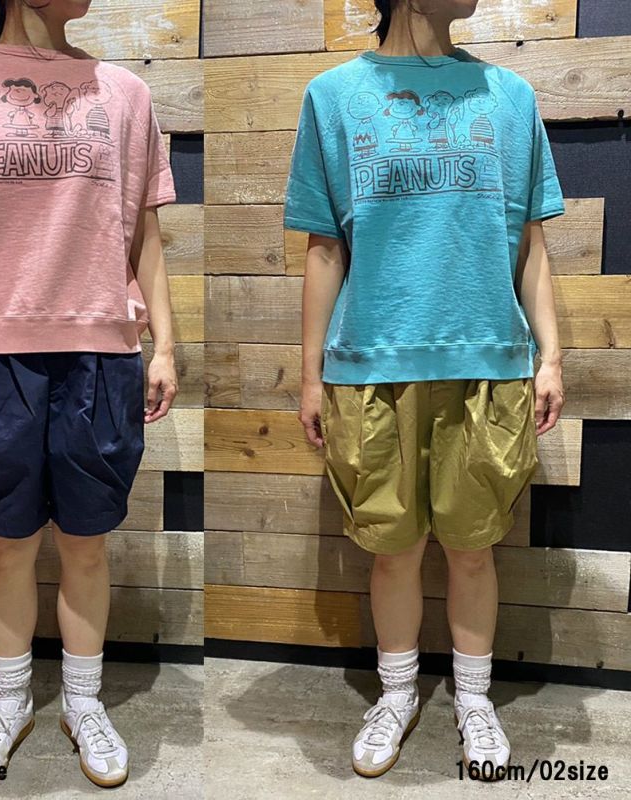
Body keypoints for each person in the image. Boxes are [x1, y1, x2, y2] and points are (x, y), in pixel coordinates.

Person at [284, 0, 565, 781]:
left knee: (473, 552)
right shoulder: (333, 97)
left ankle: (474, 701)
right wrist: (311, 375)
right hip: (371, 365)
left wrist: (551, 356)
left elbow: (531, 241)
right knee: (393, 553)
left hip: (487, 363)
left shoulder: (510, 97)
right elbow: (324, 248)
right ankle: (398, 693)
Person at [0, 0, 178, 792]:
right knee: (7, 545)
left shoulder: (125, 93)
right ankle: (10, 702)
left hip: (101, 350)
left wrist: (166, 342)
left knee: (88, 541)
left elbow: (145, 235)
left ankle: (83, 704)